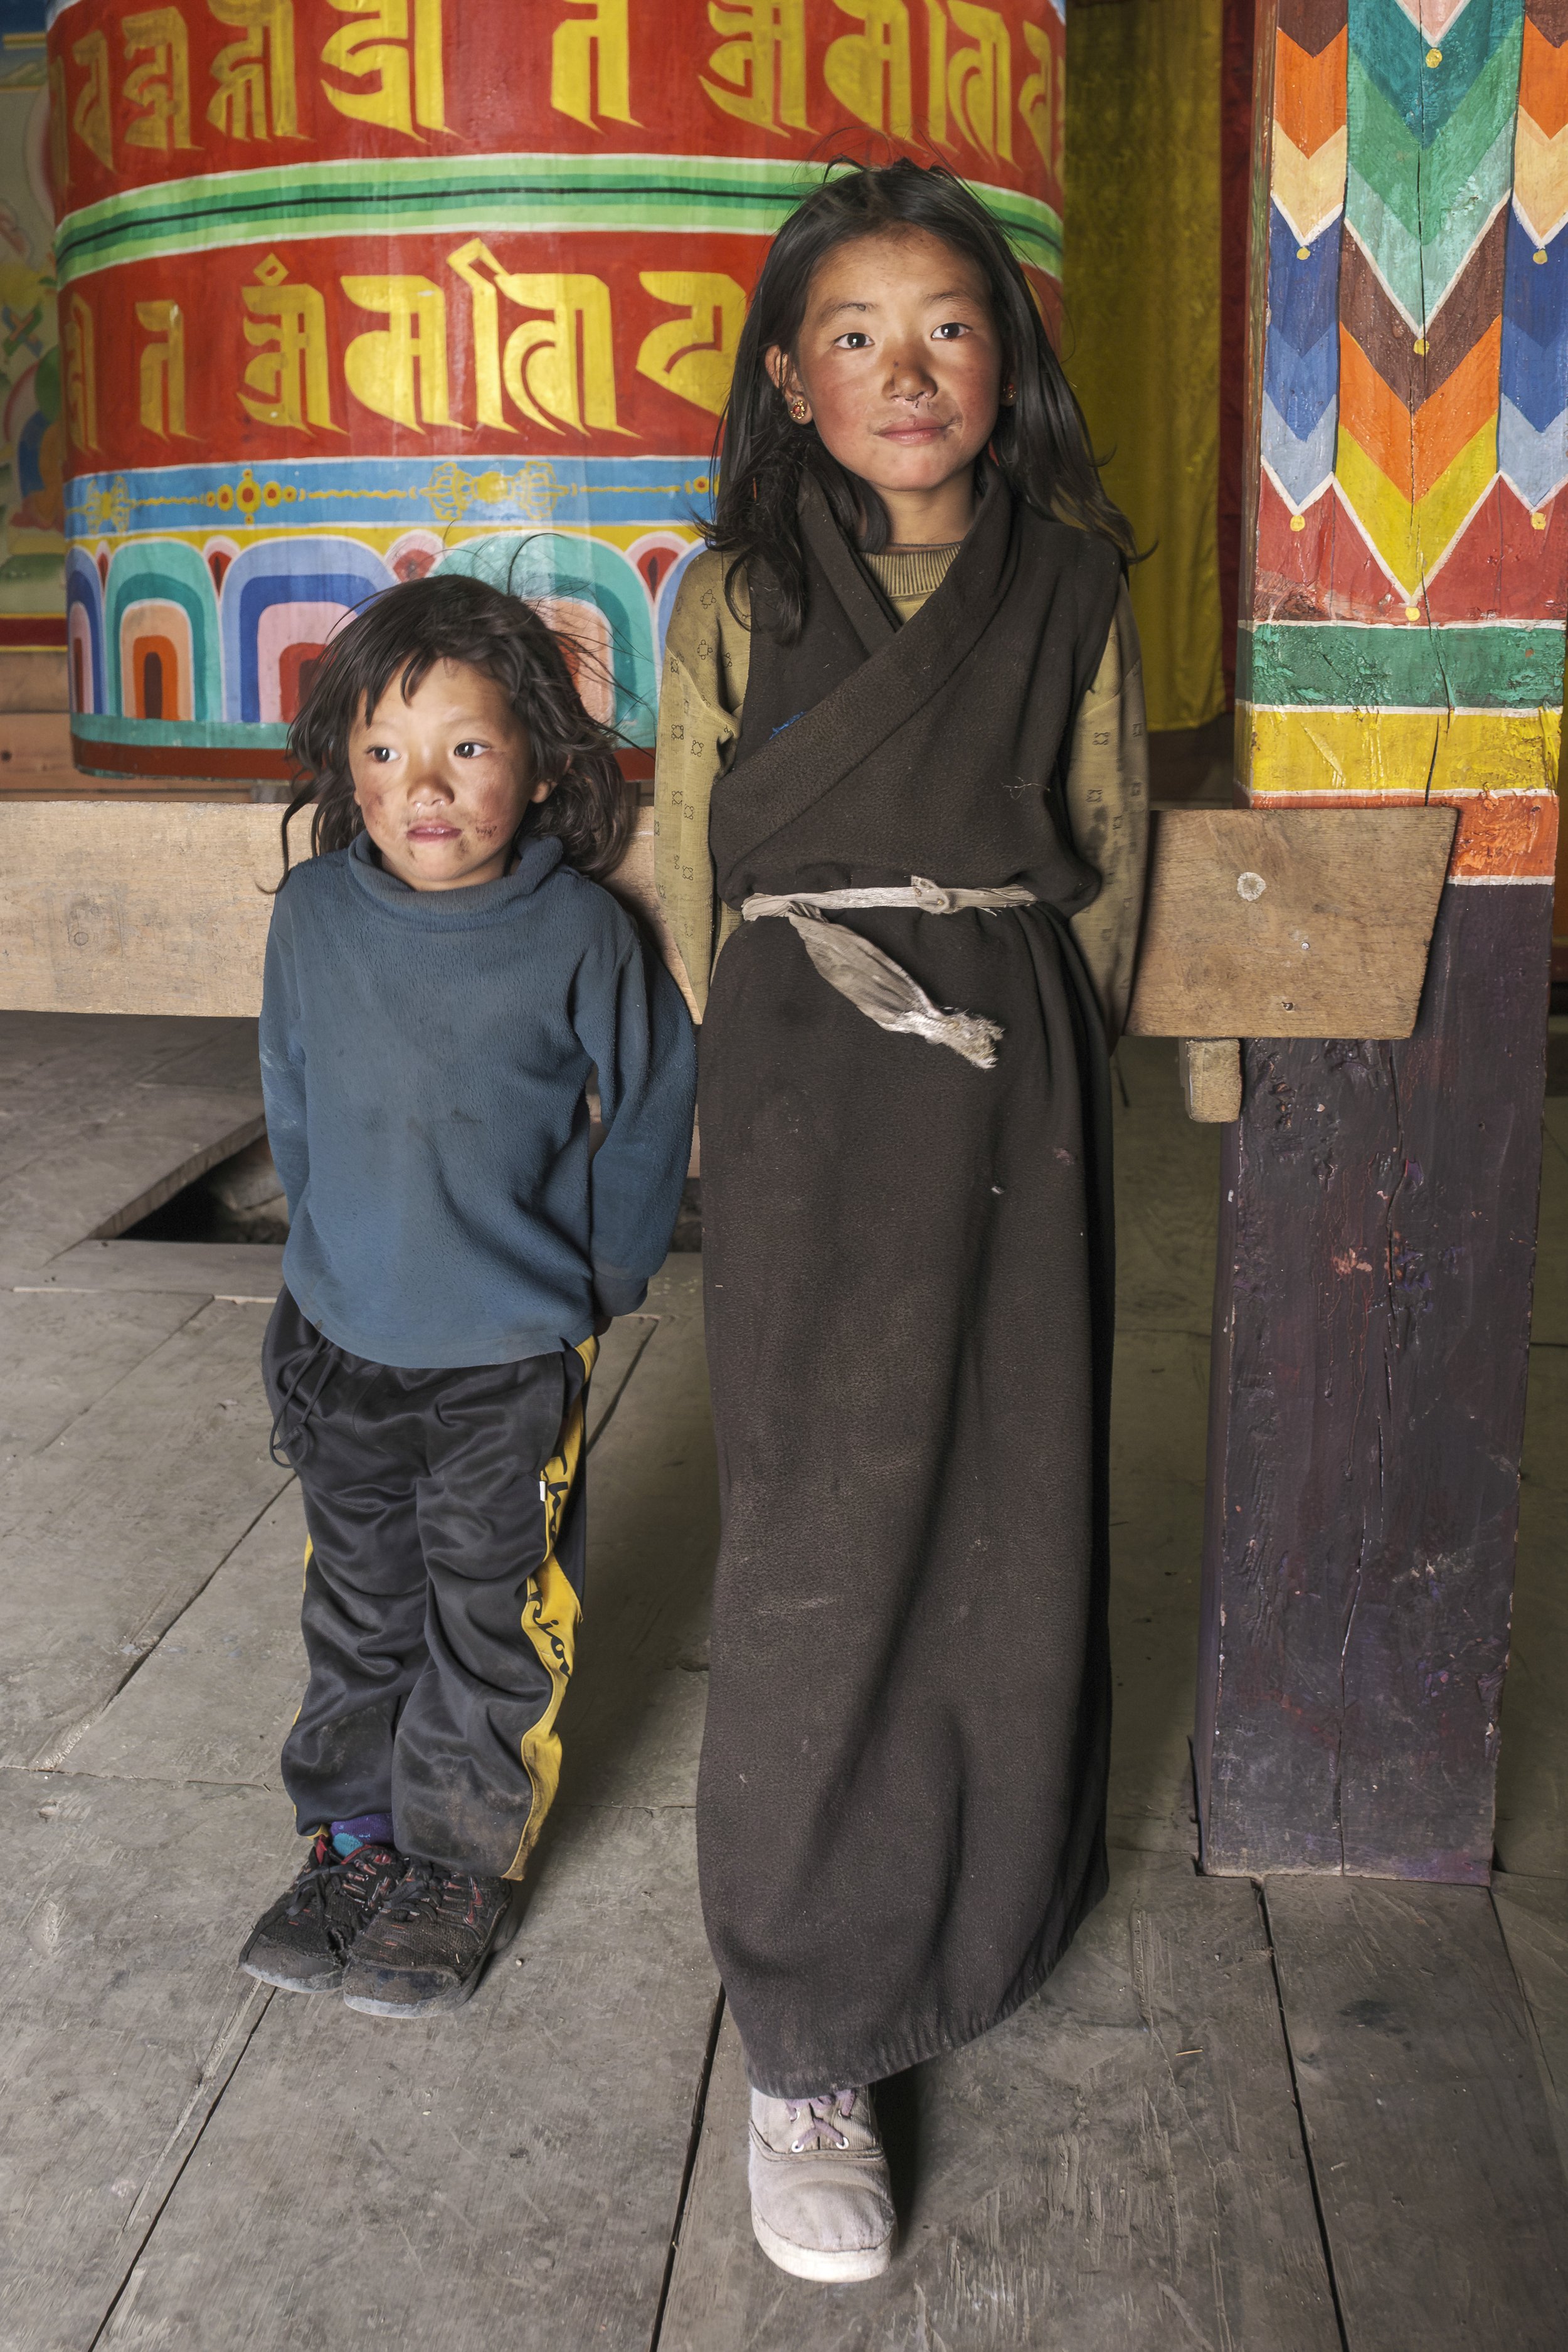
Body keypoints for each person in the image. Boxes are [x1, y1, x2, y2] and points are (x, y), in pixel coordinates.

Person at [654, 159, 1148, 2282]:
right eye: (853, 336)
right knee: (825, 1526)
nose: (906, 369)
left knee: (1016, 1497)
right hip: (807, 1083)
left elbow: (1109, 848)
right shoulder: (741, 592)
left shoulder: (1074, 579)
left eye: (946, 323)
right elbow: (691, 879)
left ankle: (984, 1894)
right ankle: (810, 2024)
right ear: (790, 383)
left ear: (1003, 355)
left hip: (1014, 1076)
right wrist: (808, 1059)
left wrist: (1025, 1044)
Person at [239, 573, 696, 2020]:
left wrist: (606, 1273)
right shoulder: (314, 915)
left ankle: (455, 1865)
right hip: (343, 1345)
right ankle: (353, 1844)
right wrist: (315, 1266)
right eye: (382, 752)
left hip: (502, 1359)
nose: (419, 786)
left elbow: (650, 1101)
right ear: (343, 767)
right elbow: (292, 1096)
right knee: (359, 1607)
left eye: (463, 749)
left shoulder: (576, 934)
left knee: (486, 1620)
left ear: (541, 761)